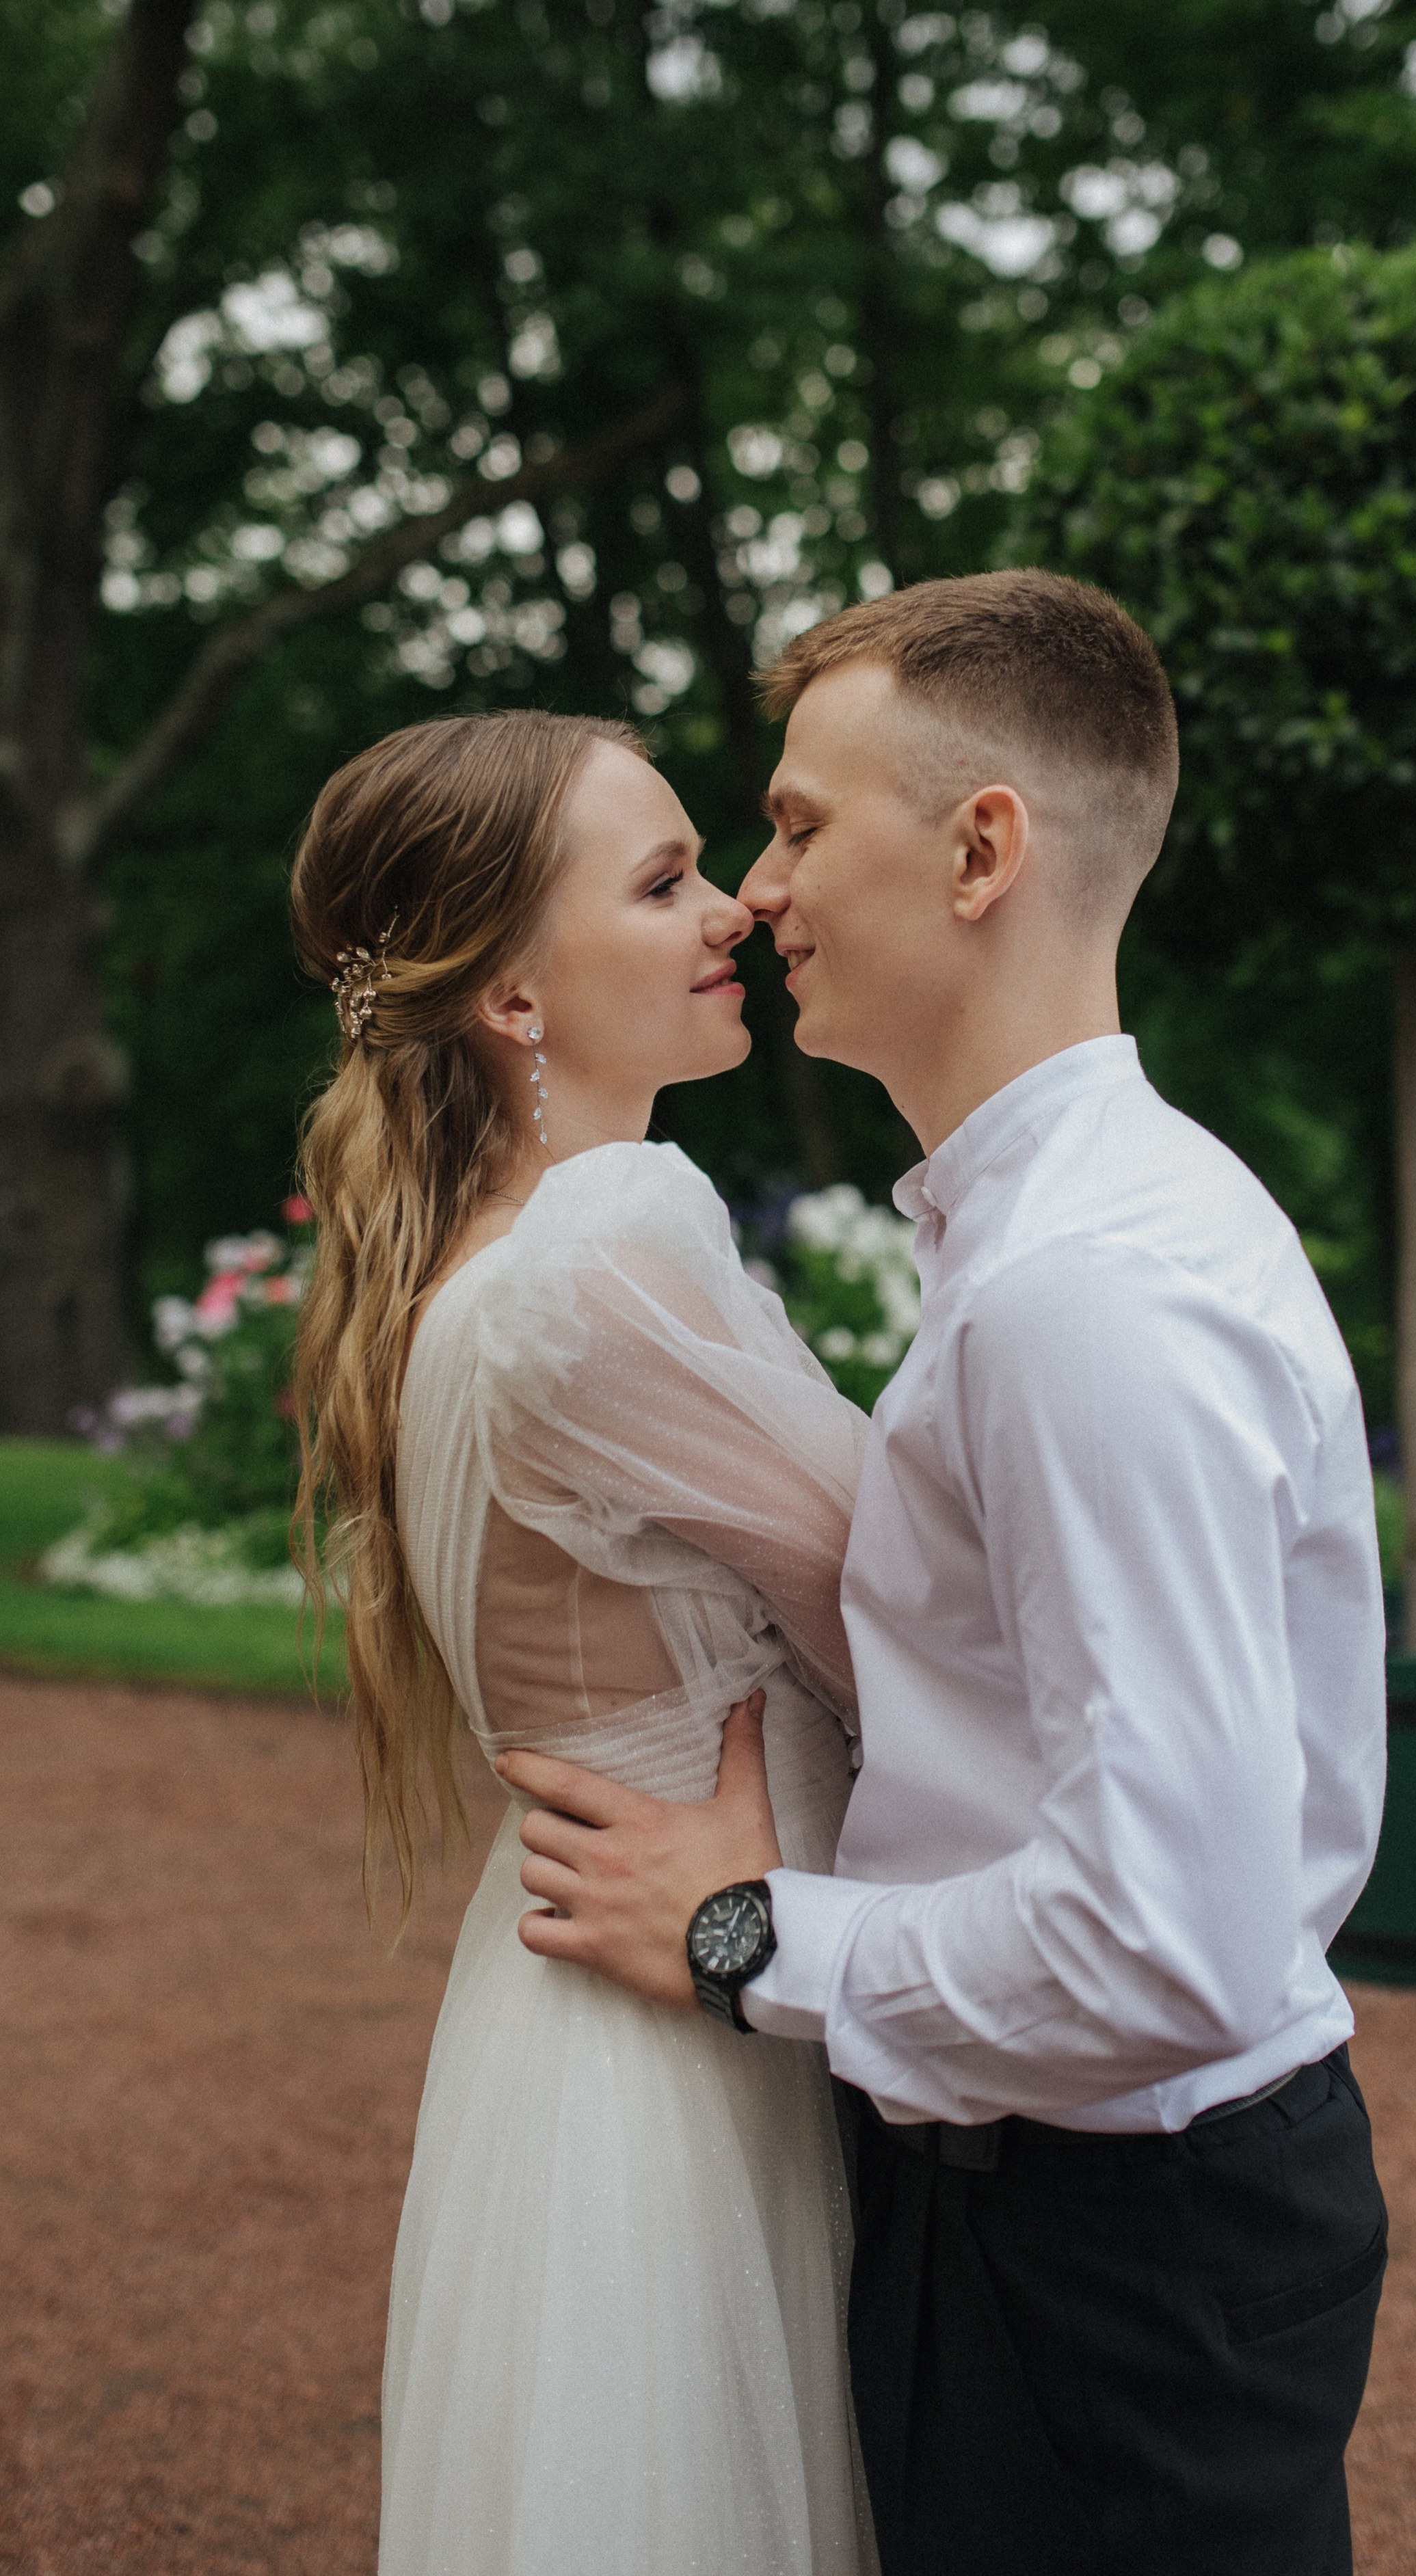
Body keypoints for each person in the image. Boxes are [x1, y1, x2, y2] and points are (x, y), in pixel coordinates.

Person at [498, 569, 1391, 2576]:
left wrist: (746, 1940)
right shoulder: (1058, 1232)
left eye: (803, 822)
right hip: (1062, 2211)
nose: (757, 886)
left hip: (1110, 2252)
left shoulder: (1086, 1295)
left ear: (983, 847)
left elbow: (1163, 1934)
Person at [289, 709, 879, 2576]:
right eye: (663, 882)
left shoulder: (457, 1267)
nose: (731, 912)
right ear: (516, 1002)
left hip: (565, 2033)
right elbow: (907, 1621)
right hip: (690, 2032)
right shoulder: (605, 1248)